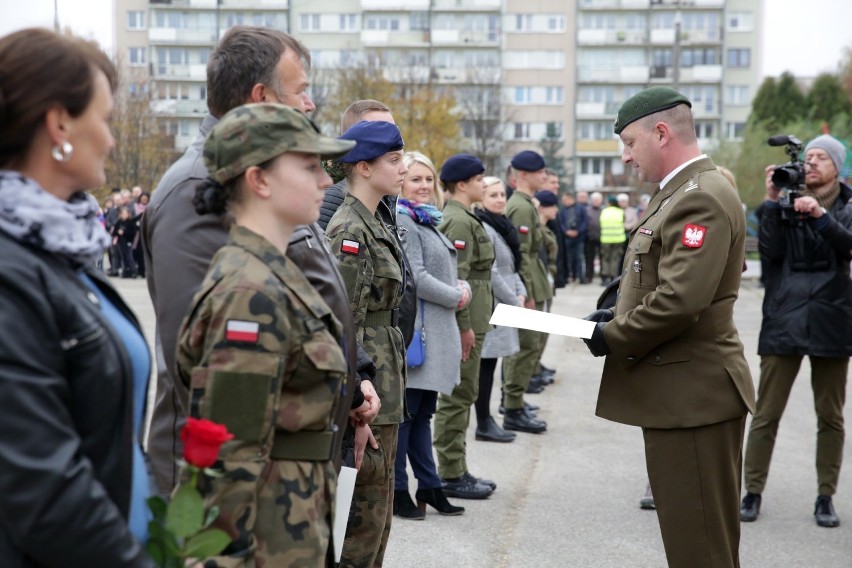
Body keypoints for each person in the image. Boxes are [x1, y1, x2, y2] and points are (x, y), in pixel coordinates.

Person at [142, 26, 379, 496]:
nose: (310, 104)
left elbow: (311, 291)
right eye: (302, 90)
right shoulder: (201, 189)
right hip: (240, 487)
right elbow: (207, 369)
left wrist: (354, 380)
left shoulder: (280, 176)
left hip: (287, 466)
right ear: (261, 95)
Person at [582, 86, 755, 567]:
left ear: (661, 133)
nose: (626, 155)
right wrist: (614, 315)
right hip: (682, 395)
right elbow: (658, 283)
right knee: (695, 543)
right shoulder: (680, 193)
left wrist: (610, 337)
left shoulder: (699, 197)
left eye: (630, 143)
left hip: (694, 397)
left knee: (700, 550)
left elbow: (680, 300)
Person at [0, 27, 154, 566]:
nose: (111, 139)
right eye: (106, 119)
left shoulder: (57, 250)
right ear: (59, 123)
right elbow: (40, 482)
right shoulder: (10, 266)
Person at [175, 103, 354, 566]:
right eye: (310, 166)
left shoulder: (270, 274)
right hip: (265, 537)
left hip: (289, 518)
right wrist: (221, 557)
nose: (326, 181)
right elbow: (228, 452)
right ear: (259, 180)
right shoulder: (248, 292)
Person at [740, 134, 852, 528]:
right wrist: (772, 201)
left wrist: (820, 218)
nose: (813, 163)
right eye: (809, 157)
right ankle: (751, 491)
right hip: (784, 314)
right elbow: (768, 254)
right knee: (766, 412)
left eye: (823, 157)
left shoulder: (848, 206)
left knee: (830, 416)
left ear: (838, 167)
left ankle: (825, 497)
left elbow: (849, 246)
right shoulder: (782, 201)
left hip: (832, 317)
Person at [326, 120, 408, 567]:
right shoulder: (350, 231)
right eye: (393, 160)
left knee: (379, 515)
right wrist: (356, 405)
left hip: (387, 384)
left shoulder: (374, 219)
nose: (403, 168)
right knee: (361, 520)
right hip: (369, 392)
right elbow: (345, 325)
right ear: (363, 167)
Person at [393, 151, 467, 519]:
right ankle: (397, 490)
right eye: (415, 179)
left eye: (428, 179)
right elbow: (416, 278)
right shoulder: (404, 218)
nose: (424, 185)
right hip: (417, 336)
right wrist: (456, 294)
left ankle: (430, 486)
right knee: (407, 417)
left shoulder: (427, 219)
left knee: (421, 416)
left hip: (433, 333)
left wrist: (459, 285)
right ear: (400, 182)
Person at [433, 154, 497, 500]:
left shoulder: (466, 217)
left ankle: (457, 469)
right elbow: (457, 279)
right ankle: (451, 473)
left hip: (476, 316)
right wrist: (463, 326)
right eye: (478, 180)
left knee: (465, 393)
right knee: (458, 396)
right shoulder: (457, 221)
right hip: (467, 319)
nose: (483, 185)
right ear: (461, 184)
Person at [502, 151, 550, 434]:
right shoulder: (519, 207)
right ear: (523, 175)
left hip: (533, 280)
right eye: (539, 171)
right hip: (525, 285)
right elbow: (519, 256)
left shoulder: (526, 204)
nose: (544, 176)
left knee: (527, 345)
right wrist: (527, 294)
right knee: (525, 346)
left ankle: (515, 402)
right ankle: (513, 408)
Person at [475, 177, 524, 443]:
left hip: (505, 301)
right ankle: (483, 421)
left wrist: (521, 290)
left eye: (502, 194)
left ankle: (487, 418)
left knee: (492, 364)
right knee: (485, 366)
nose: (500, 199)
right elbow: (491, 273)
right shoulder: (484, 226)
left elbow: (511, 265)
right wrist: (514, 300)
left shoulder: (502, 225)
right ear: (480, 198)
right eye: (492, 195)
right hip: (493, 305)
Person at [558, 191, 588, 284]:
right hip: (567, 237)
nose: (563, 202)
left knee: (579, 257)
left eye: (564, 200)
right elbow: (561, 222)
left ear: (570, 199)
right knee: (569, 258)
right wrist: (566, 231)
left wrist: (578, 231)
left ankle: (581, 277)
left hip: (579, 237)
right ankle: (571, 276)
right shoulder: (562, 210)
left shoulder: (581, 208)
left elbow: (585, 222)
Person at [598, 194, 625, 285]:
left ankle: (604, 278)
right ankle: (613, 277)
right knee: (615, 258)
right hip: (618, 239)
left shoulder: (604, 211)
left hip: (606, 239)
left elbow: (600, 223)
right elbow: (623, 222)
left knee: (605, 259)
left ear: (609, 203)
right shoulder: (620, 211)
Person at [111, 206, 138, 278]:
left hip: (128, 241)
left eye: (125, 214)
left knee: (129, 257)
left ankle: (134, 271)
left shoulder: (130, 222)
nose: (124, 215)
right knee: (123, 257)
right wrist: (118, 232)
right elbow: (114, 232)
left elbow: (133, 232)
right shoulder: (119, 222)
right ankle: (126, 271)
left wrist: (124, 232)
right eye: (123, 214)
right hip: (120, 242)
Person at [584, 191, 603, 284]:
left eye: (598, 200)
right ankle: (589, 276)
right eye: (595, 200)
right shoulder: (587, 210)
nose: (596, 201)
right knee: (589, 258)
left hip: (602, 238)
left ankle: (603, 277)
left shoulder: (604, 210)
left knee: (602, 257)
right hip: (589, 238)